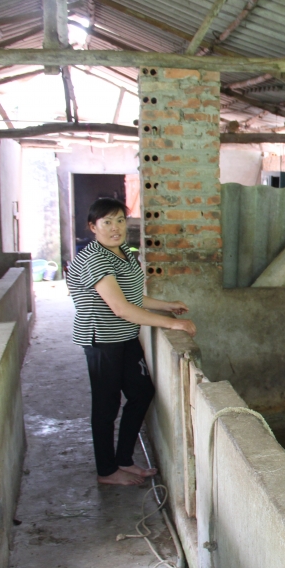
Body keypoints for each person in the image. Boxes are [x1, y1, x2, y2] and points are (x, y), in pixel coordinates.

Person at [66, 198, 197, 486]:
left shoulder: (123, 251)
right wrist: (173, 323)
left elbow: (131, 297)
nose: (116, 228)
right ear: (93, 227)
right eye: (107, 222)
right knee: (106, 405)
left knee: (141, 392)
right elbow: (120, 308)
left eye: (120, 221)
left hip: (125, 335)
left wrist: (166, 305)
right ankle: (107, 470)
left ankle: (124, 459)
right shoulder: (94, 258)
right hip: (101, 339)